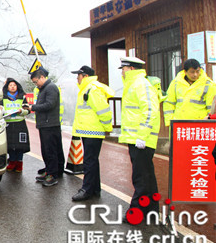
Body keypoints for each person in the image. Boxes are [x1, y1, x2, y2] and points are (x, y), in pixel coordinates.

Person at [118, 56, 161, 217]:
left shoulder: (141, 84)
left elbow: (150, 111)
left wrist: (142, 136)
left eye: (123, 69)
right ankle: (151, 210)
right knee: (147, 176)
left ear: (131, 69)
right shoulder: (133, 85)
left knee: (140, 178)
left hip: (141, 140)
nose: (122, 72)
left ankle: (137, 211)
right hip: (137, 139)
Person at [69, 65, 114, 201]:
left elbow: (103, 111)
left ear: (85, 76)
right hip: (88, 131)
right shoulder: (86, 89)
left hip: (93, 132)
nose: (77, 78)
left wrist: (107, 127)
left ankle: (87, 189)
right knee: (92, 161)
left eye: (79, 76)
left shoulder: (92, 90)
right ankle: (94, 188)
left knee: (89, 161)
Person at [29, 67, 64, 186]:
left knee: (51, 150)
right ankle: (49, 170)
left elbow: (49, 104)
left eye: (36, 81)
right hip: (44, 124)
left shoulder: (51, 88)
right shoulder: (43, 89)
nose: (35, 84)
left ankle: (53, 174)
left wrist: (33, 107)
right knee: (46, 149)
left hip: (50, 124)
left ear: (42, 77)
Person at [164, 58, 216, 126]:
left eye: (197, 71)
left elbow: (212, 108)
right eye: (192, 72)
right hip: (179, 124)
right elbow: (169, 103)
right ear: (185, 72)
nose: (195, 74)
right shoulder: (176, 83)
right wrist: (169, 122)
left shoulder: (209, 85)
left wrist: (209, 122)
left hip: (200, 125)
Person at [0, 78, 31, 172]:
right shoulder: (3, 98)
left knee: (20, 146)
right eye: (10, 85)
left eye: (14, 85)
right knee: (10, 145)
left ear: (17, 86)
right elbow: (0, 109)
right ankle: (12, 161)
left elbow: (28, 110)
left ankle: (19, 163)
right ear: (7, 87)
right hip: (8, 124)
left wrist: (22, 111)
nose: (12, 87)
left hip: (20, 124)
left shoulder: (22, 97)